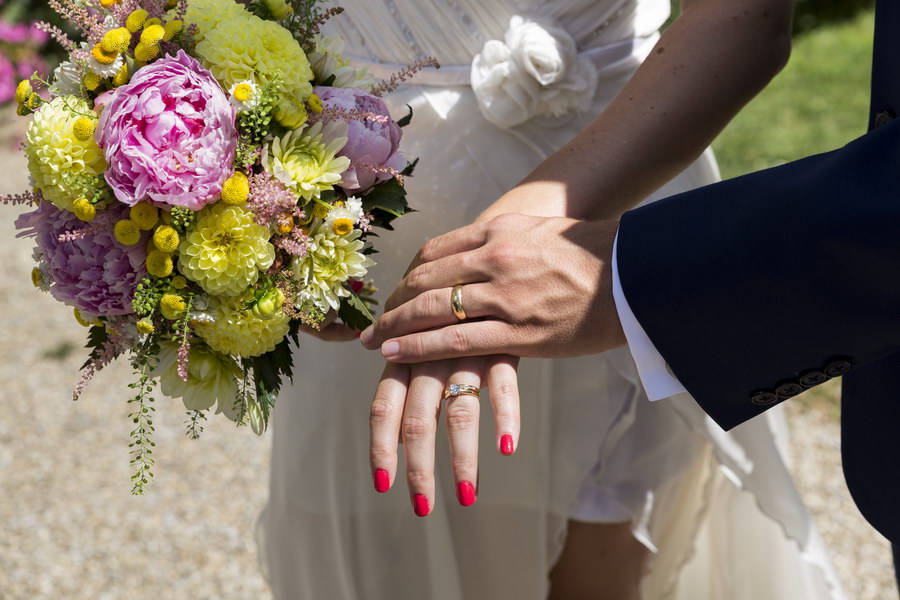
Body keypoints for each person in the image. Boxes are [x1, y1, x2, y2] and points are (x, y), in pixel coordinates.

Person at [260, 0, 843, 598]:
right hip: (345, 213)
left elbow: (747, 19)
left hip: (613, 188)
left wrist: (481, 264)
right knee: (376, 535)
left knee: (600, 531)